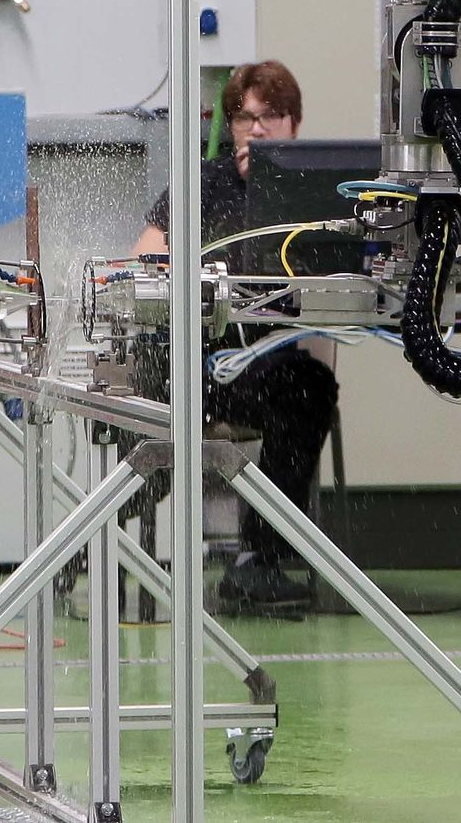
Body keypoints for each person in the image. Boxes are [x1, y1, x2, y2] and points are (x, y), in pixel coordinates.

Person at [131, 60, 339, 610]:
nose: (259, 129)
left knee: (311, 389)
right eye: (246, 119)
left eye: (272, 116)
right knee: (148, 392)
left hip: (268, 368)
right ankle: (103, 531)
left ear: (295, 123)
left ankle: (256, 561)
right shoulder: (204, 184)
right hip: (196, 363)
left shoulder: (316, 193)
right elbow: (144, 257)